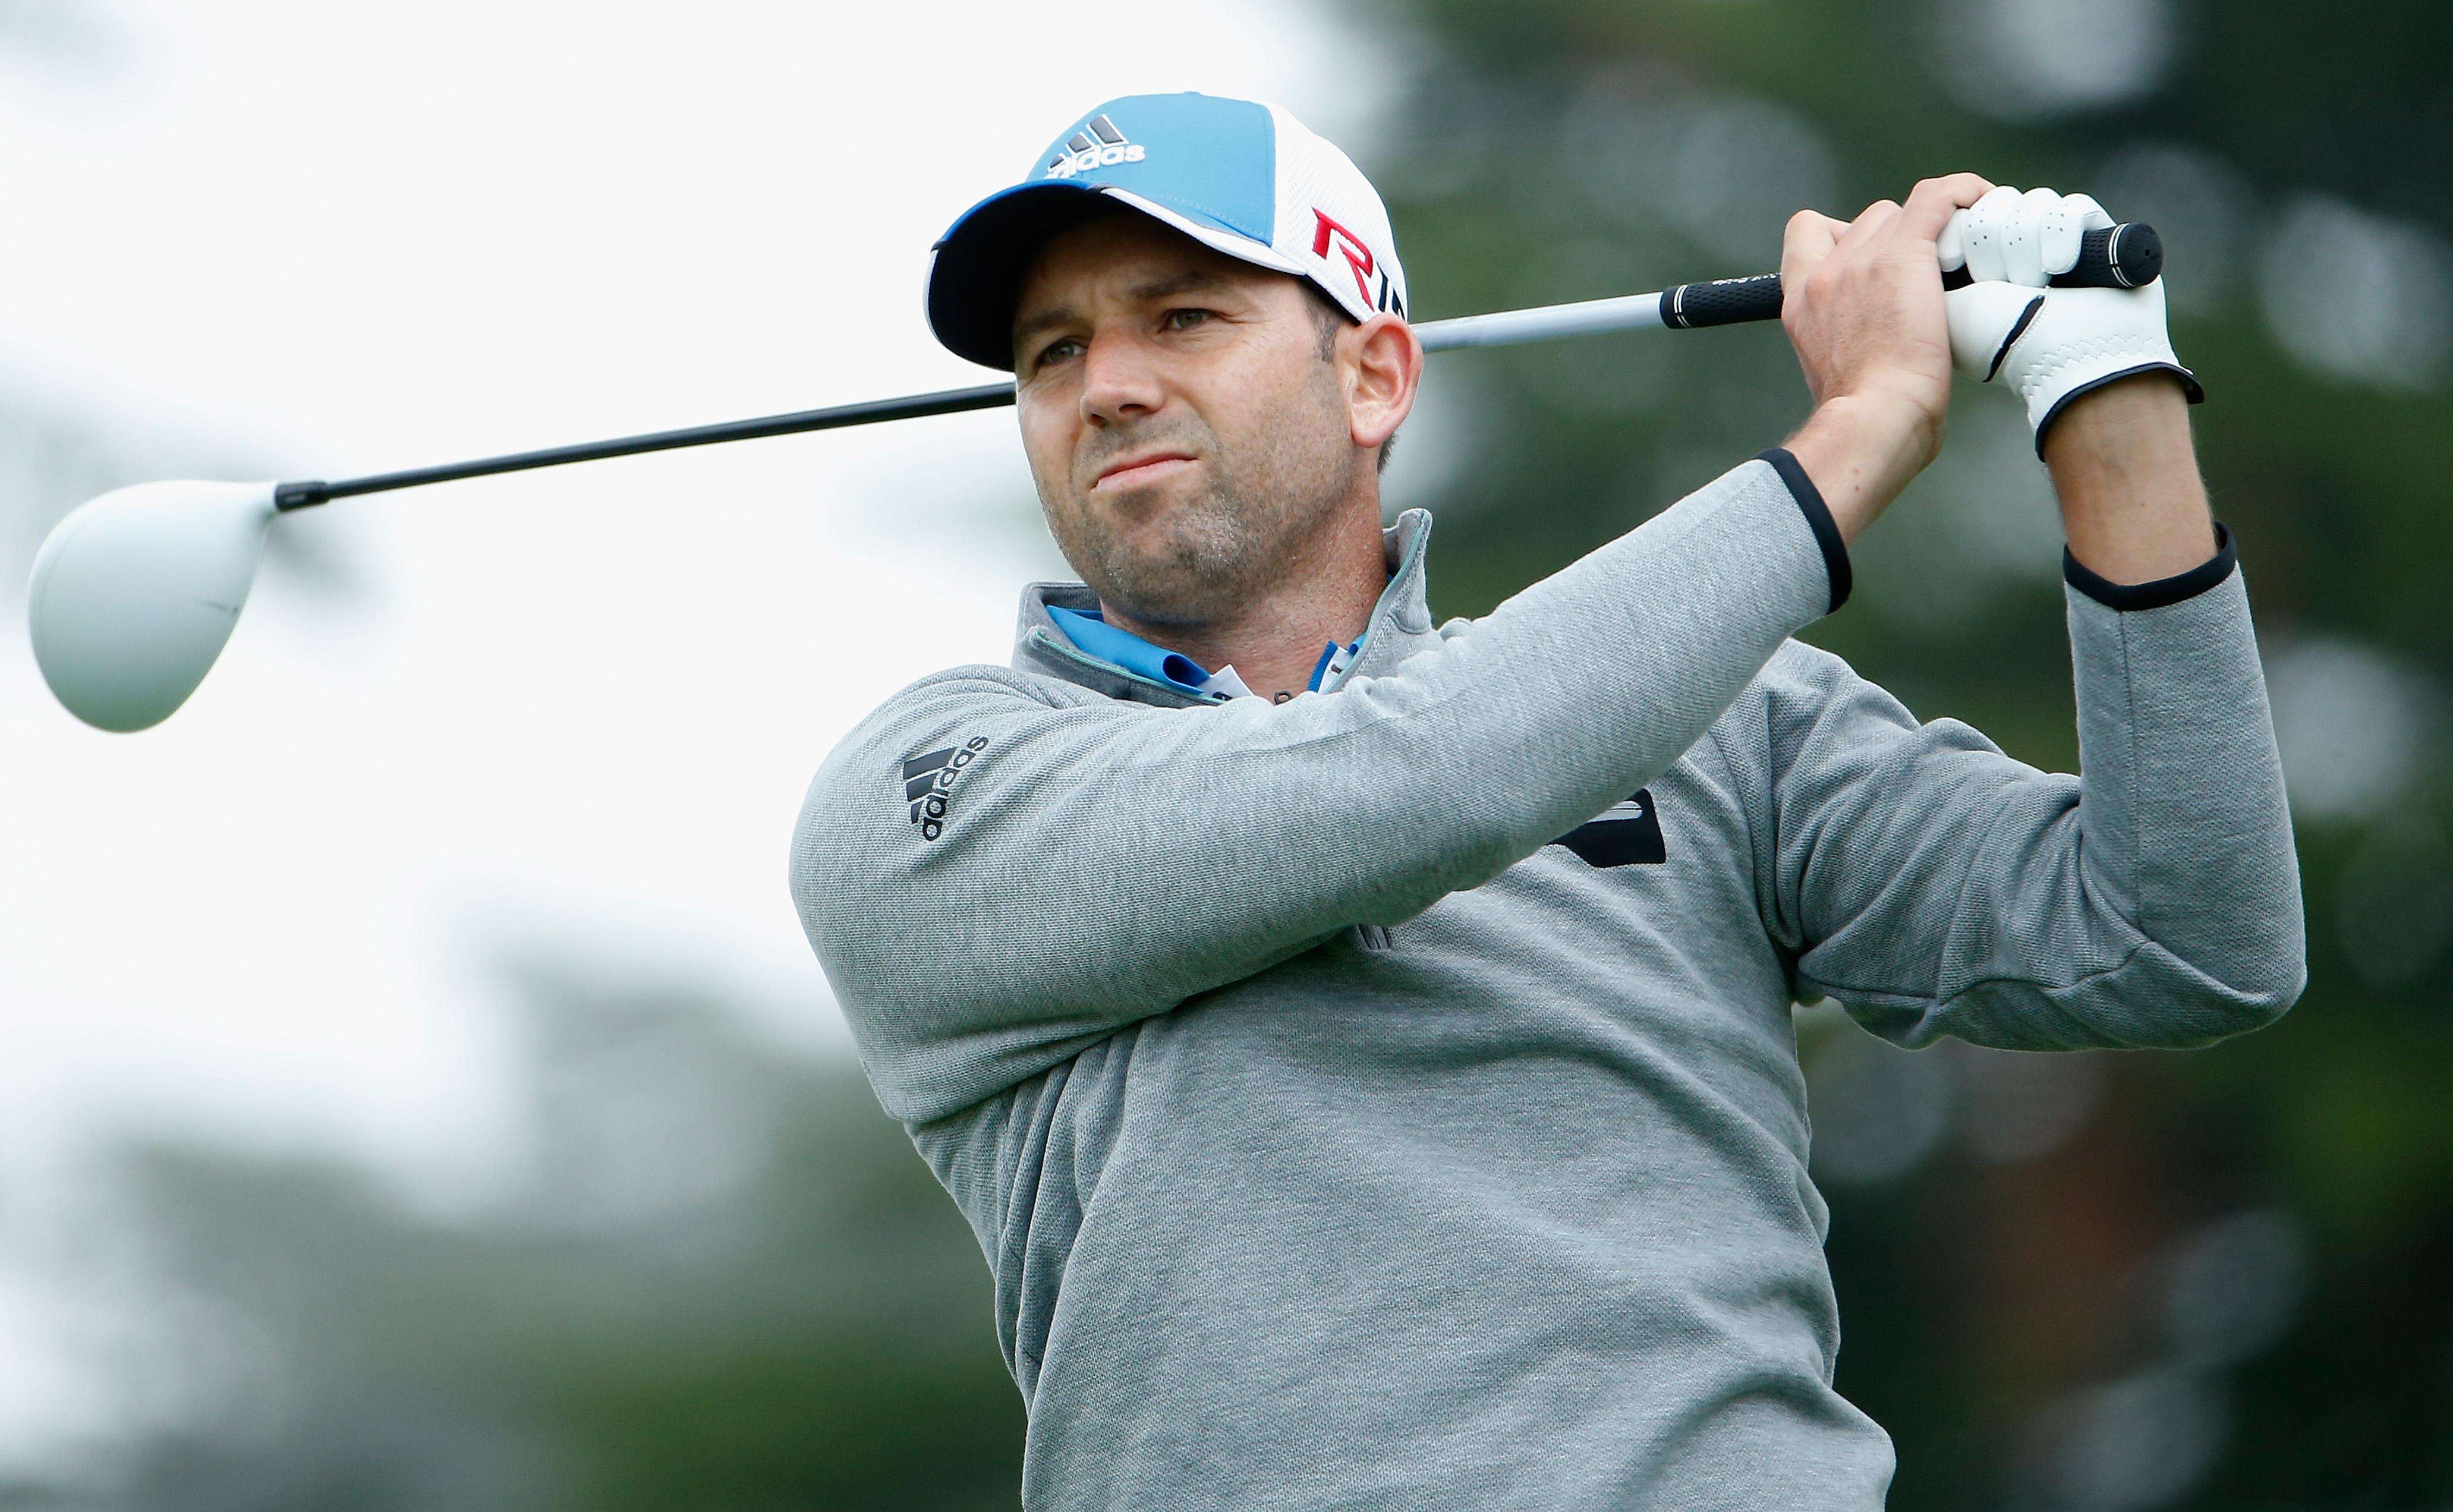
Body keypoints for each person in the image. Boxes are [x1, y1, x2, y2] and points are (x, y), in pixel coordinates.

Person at [789, 92, 2304, 1510]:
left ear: (1373, 373)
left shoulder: (1720, 720)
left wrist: (2105, 400)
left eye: (1182, 317)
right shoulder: (934, 789)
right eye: (1052, 352)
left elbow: (2186, 929)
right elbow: (1421, 778)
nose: (1107, 385)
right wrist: (1866, 422)